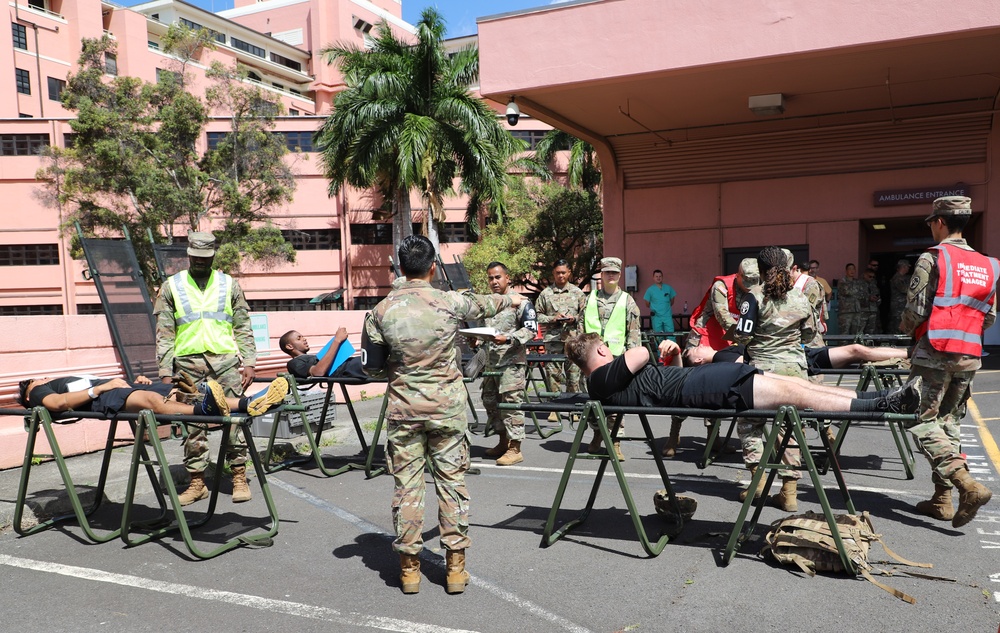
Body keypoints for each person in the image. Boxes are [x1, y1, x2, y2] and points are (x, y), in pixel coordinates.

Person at [362, 235, 523, 595]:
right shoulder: (450, 301)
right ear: (433, 266)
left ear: (401, 268)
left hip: (405, 412)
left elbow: (371, 370)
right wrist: (510, 298)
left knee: (408, 489)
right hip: (447, 412)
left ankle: (409, 572)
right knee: (452, 485)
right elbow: (486, 305)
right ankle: (454, 570)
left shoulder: (381, 311)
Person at [563, 333, 920, 427]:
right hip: (700, 387)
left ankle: (881, 399)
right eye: (606, 349)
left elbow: (662, 372)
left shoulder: (609, 379)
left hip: (694, 382)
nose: (611, 352)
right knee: (792, 394)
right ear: (597, 354)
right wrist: (640, 351)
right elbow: (640, 352)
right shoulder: (598, 381)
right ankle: (878, 405)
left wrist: (669, 353)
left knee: (797, 388)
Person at [900, 195, 998, 529]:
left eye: (931, 223)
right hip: (969, 353)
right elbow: (989, 318)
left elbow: (915, 310)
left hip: (935, 352)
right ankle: (942, 500)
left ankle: (966, 485)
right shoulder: (988, 264)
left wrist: (903, 330)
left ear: (940, 222)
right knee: (949, 422)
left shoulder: (933, 258)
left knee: (919, 419)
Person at [155, 231, 257, 506]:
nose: (200, 262)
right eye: (196, 257)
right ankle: (197, 482)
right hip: (187, 366)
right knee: (192, 424)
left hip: (224, 363)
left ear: (213, 256)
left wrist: (248, 361)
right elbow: (164, 332)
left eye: (206, 258)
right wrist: (166, 370)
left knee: (234, 420)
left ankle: (238, 477)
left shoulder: (228, 284)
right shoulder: (172, 286)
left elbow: (243, 325)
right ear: (188, 255)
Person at [732, 246, 818, 511]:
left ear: (760, 270)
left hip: (762, 373)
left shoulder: (753, 297)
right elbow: (809, 335)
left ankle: (757, 483)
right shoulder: (801, 298)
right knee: (790, 428)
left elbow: (743, 336)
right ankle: (789, 492)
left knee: (750, 423)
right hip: (794, 372)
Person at [663, 258, 758, 458]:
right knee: (685, 383)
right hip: (704, 337)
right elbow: (723, 317)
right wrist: (743, 344)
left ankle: (713, 437)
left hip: (727, 340)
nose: (750, 286)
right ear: (738, 275)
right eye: (746, 281)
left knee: (716, 387)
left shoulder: (756, 288)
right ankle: (674, 434)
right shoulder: (721, 286)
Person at [579, 256, 641, 459]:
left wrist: (633, 361)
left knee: (615, 402)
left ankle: (615, 441)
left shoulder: (627, 301)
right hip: (592, 361)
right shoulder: (589, 299)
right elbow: (580, 331)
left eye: (614, 272)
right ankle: (597, 433)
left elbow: (633, 334)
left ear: (620, 275)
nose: (611, 275)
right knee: (593, 400)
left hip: (616, 360)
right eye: (607, 272)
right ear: (602, 275)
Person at [18, 374, 288, 420]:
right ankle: (206, 412)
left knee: (177, 392)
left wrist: (135, 382)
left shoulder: (54, 382)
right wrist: (98, 389)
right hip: (104, 399)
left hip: (117, 390)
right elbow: (58, 404)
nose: (41, 378)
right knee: (153, 402)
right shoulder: (39, 390)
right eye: (36, 379)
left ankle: (248, 403)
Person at [478, 261, 538, 466]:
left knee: (511, 404)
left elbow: (531, 330)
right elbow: (485, 331)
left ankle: (515, 448)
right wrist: (475, 339)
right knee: (490, 402)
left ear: (507, 278)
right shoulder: (488, 304)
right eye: (490, 278)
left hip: (511, 364)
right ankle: (502, 441)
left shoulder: (522, 302)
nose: (494, 281)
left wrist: (509, 339)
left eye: (498, 277)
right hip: (491, 364)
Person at [534, 259, 585, 397]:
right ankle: (554, 407)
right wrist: (552, 318)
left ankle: (573, 408)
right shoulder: (545, 294)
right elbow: (537, 315)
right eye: (557, 273)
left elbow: (585, 315)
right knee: (552, 375)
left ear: (569, 273)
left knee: (573, 376)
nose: (560, 276)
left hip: (573, 340)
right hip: (553, 340)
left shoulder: (578, 293)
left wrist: (573, 319)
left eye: (563, 273)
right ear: (553, 273)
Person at [684, 342, 908, 372]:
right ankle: (908, 353)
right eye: (695, 349)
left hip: (797, 352)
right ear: (698, 361)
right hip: (797, 359)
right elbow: (749, 363)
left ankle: (905, 354)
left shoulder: (724, 350)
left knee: (857, 353)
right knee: (856, 351)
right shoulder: (722, 359)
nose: (700, 345)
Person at [279, 328, 367, 381]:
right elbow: (318, 372)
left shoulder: (311, 357)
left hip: (352, 363)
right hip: (348, 369)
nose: (304, 339)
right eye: (299, 338)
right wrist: (337, 340)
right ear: (289, 346)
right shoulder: (294, 363)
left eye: (303, 337)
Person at [643, 269, 677, 336]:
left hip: (667, 316)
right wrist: (656, 308)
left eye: (660, 276)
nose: (658, 278)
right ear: (653, 278)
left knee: (670, 334)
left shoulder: (668, 288)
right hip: (656, 317)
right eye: (656, 276)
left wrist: (664, 308)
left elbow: (672, 301)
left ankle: (671, 347)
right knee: (658, 336)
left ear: (662, 277)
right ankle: (659, 347)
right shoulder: (650, 290)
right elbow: (647, 303)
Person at [837, 263, 862, 335]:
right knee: (844, 333)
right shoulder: (842, 281)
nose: (852, 271)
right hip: (846, 312)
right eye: (850, 269)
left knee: (856, 333)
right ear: (846, 271)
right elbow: (847, 291)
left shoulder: (857, 282)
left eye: (853, 269)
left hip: (856, 310)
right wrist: (858, 291)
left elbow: (863, 294)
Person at [888, 259, 912, 334]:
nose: (908, 269)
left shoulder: (905, 278)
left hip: (903, 305)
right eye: (907, 267)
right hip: (898, 306)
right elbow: (904, 289)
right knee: (897, 325)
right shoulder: (897, 278)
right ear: (903, 267)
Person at [860, 267, 882, 334]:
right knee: (860, 330)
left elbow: (878, 295)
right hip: (863, 311)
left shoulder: (873, 284)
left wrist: (877, 299)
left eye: (873, 277)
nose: (871, 278)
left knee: (871, 331)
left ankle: (869, 344)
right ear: (864, 275)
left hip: (873, 311)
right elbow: (857, 297)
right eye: (870, 276)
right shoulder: (859, 284)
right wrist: (868, 298)